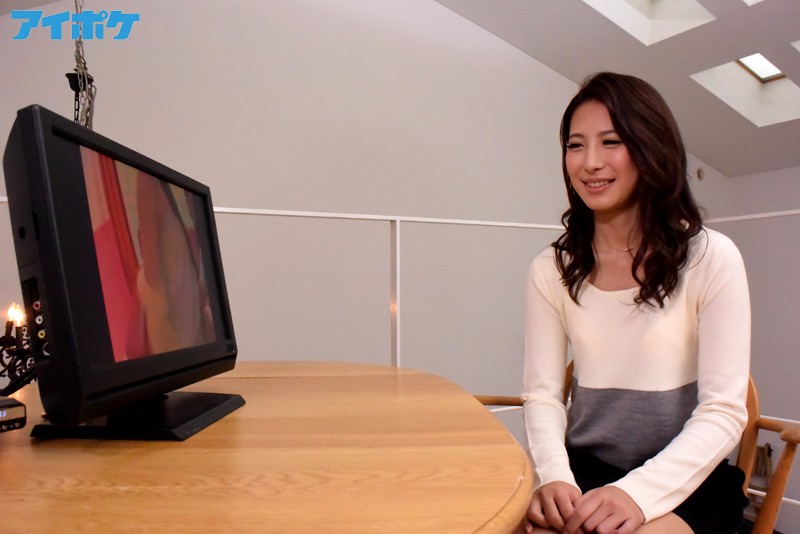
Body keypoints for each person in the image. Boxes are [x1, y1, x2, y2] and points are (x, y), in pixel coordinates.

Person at [522, 72, 751, 534]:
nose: (590, 162)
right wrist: (554, 476)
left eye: (611, 142)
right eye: (575, 145)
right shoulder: (551, 268)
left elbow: (724, 412)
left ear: (651, 148)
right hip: (583, 472)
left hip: (686, 479)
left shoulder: (711, 257)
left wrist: (637, 494)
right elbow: (542, 395)